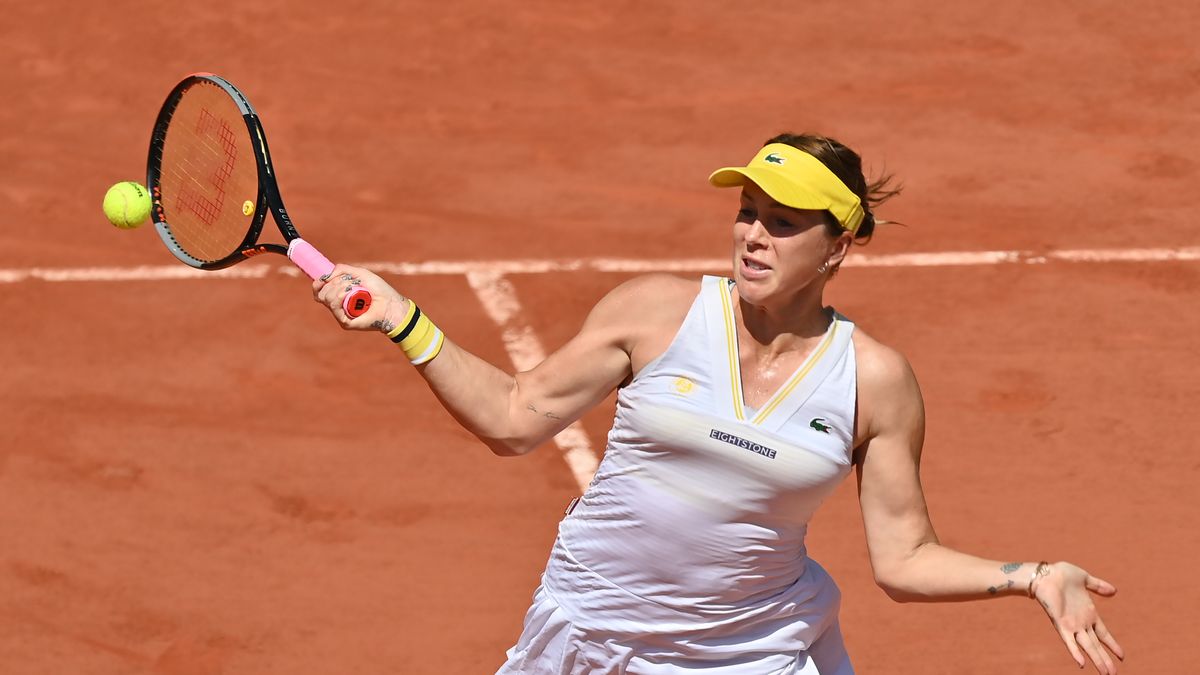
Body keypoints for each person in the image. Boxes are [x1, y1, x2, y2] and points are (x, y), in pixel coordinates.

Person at [312, 133, 1124, 674]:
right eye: (746, 212)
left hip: (750, 651)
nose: (753, 235)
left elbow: (904, 558)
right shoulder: (656, 312)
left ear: (838, 245)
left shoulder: (874, 379)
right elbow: (514, 418)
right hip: (590, 630)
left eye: (782, 221)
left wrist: (1034, 576)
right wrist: (402, 319)